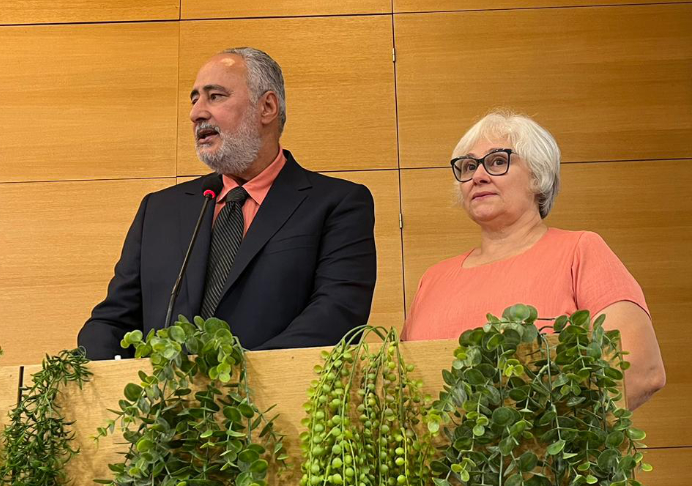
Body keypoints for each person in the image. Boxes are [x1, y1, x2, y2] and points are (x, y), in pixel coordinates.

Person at [79, 47, 377, 360]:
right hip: (160, 406)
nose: (196, 113)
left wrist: (234, 386)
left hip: (272, 404)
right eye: (194, 99)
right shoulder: (159, 210)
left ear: (267, 107)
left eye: (215, 96)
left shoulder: (338, 204)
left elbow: (336, 315)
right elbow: (112, 321)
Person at [402, 110, 665, 410]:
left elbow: (641, 371)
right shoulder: (434, 278)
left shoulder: (580, 250)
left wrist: (531, 438)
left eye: (497, 161)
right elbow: (402, 390)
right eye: (468, 166)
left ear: (539, 176)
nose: (478, 176)